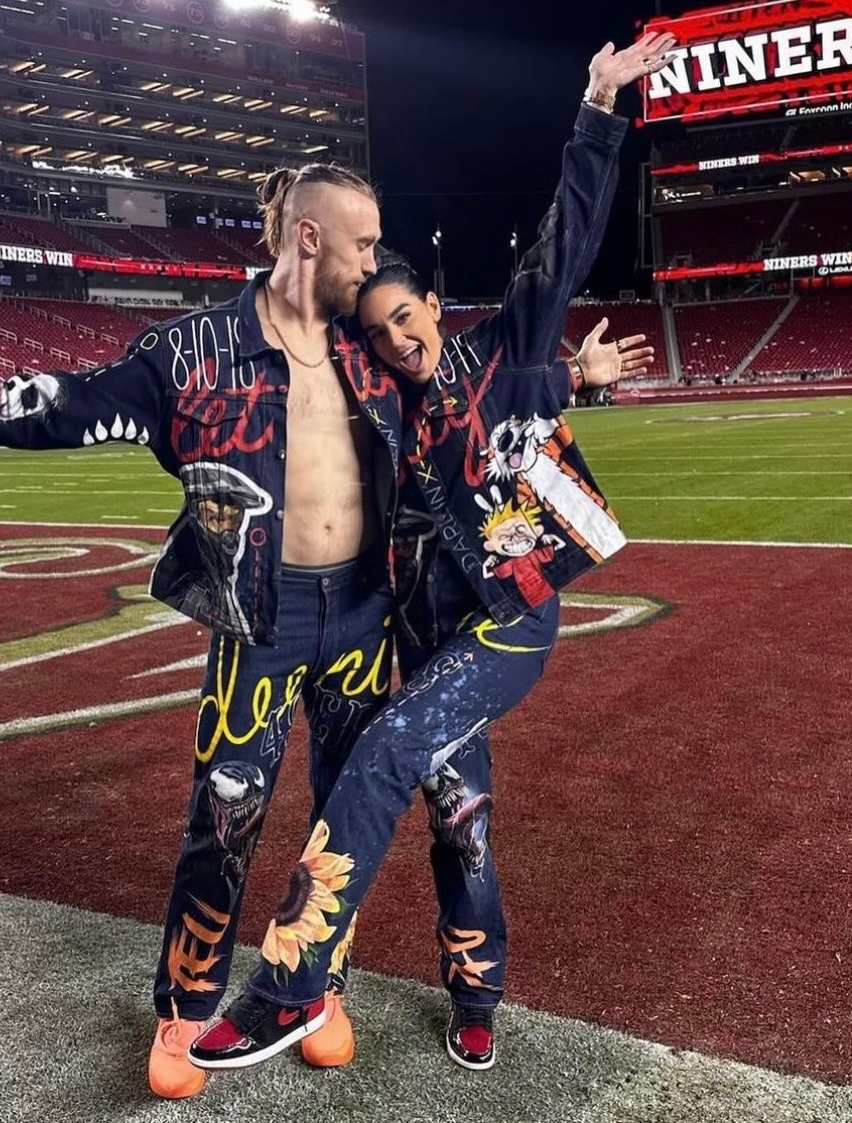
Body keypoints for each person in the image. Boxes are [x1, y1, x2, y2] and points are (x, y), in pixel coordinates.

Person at [0, 162, 407, 1100]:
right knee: (225, 814)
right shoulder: (192, 351)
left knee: (348, 814)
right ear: (310, 237)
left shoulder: (375, 347)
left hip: (365, 610)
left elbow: (476, 390)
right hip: (261, 616)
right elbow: (67, 404)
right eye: (362, 241)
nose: (375, 261)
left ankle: (315, 988)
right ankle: (186, 1006)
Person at [187, 30, 674, 1073]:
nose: (399, 339)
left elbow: (568, 234)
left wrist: (596, 105)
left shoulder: (507, 347)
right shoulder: (380, 418)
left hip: (510, 623)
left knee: (385, 757)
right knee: (460, 813)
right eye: (378, 332)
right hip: (429, 644)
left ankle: (288, 986)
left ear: (434, 310)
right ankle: (475, 990)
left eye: (406, 315)